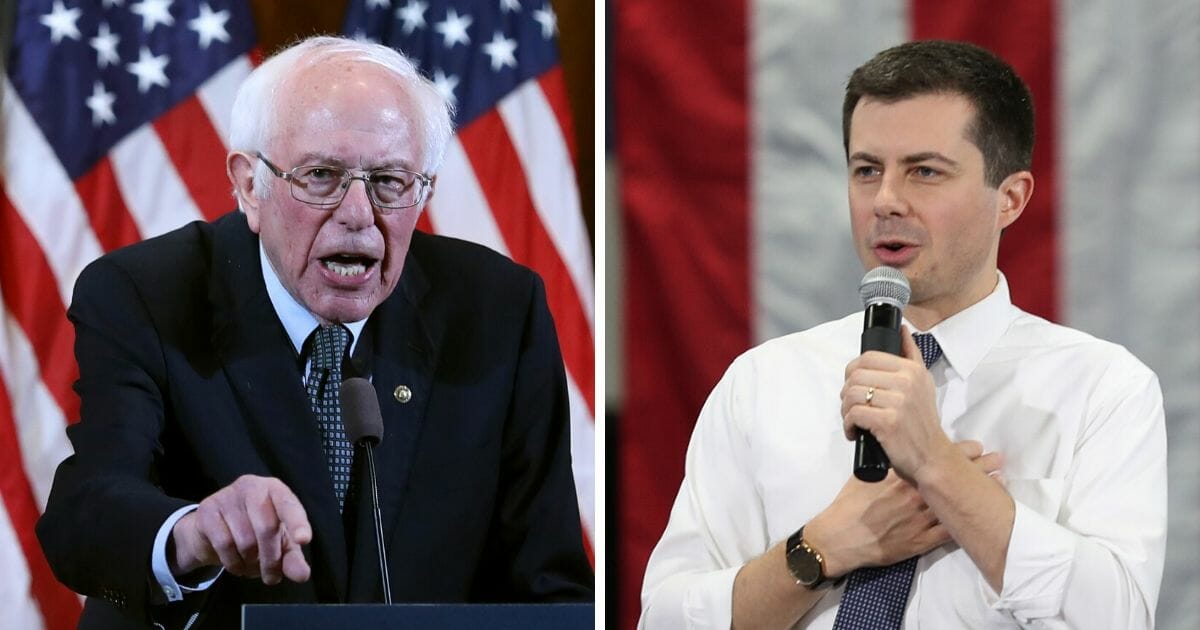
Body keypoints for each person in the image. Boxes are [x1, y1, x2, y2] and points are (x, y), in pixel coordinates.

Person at [36, 36, 593, 629]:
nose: (358, 213)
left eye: (390, 181)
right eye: (322, 176)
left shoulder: (498, 312)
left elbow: (548, 587)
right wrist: (192, 533)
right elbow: (85, 513)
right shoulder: (145, 296)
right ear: (251, 186)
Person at [639, 40, 1166, 629]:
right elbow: (665, 616)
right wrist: (820, 549)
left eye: (924, 172)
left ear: (1011, 199)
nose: (886, 200)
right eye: (867, 170)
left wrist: (935, 464)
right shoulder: (762, 382)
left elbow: (1117, 619)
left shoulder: (1104, 389)